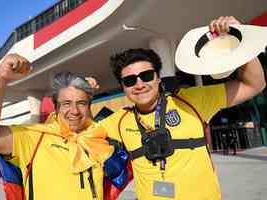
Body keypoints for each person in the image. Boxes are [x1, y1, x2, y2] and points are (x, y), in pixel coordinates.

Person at [79, 16, 266, 200]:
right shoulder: (119, 121)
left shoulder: (192, 100)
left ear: (158, 78)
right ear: (123, 88)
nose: (139, 84)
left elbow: (254, 84)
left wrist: (238, 37)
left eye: (146, 75)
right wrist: (81, 97)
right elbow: (81, 133)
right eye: (129, 80)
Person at [0, 57, 114, 200]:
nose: (74, 111)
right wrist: (0, 79)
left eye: (81, 103)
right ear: (56, 108)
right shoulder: (35, 137)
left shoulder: (98, 139)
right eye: (66, 103)